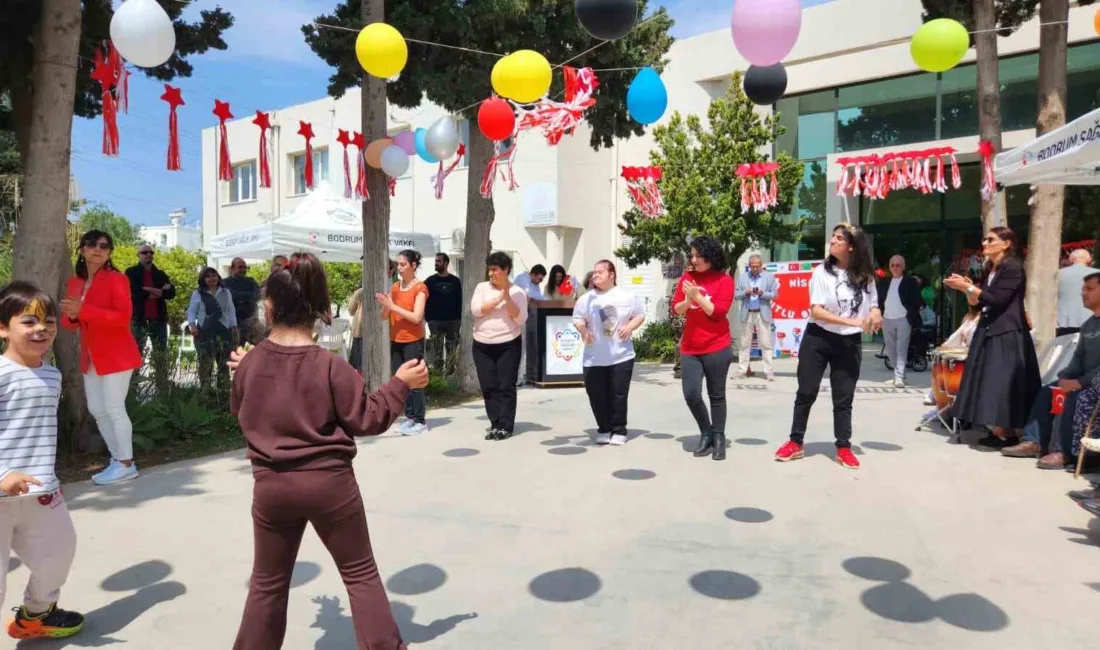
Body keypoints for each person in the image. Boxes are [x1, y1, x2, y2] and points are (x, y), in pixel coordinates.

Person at [229, 252, 427, 650]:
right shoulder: (331, 366)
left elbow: (242, 414)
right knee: (360, 574)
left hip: (271, 487)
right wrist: (400, 385)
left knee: (267, 584)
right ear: (321, 308)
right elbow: (368, 418)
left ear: (269, 306)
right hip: (330, 486)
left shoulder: (249, 364)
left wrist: (252, 369)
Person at [0, 282, 84, 640]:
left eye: (49, 321)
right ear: (2, 328)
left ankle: (36, 615)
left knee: (59, 551)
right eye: (28, 321)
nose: (42, 329)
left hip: (41, 490)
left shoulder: (52, 374)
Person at [775, 224, 883, 469]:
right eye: (832, 237)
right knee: (806, 391)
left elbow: (874, 304)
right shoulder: (821, 272)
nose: (832, 241)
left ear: (851, 246)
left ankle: (843, 447)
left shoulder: (865, 276)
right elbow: (816, 311)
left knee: (843, 396)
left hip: (849, 342)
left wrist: (876, 313)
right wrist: (853, 321)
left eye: (839, 238)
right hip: (818, 338)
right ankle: (795, 442)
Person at [944, 226, 1041, 450]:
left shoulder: (1013, 267)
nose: (985, 243)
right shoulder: (992, 269)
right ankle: (999, 432)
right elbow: (980, 303)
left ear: (1006, 244)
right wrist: (967, 290)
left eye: (991, 240)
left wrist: (970, 287)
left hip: (1007, 333)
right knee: (988, 383)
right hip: (989, 329)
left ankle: (1009, 433)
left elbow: (998, 300)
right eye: (984, 239)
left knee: (1002, 384)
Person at [60, 231, 143, 486]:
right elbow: (68, 323)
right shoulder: (75, 282)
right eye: (92, 244)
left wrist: (83, 310)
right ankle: (118, 460)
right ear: (81, 250)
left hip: (117, 354)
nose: (98, 249)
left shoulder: (117, 279)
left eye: (104, 246)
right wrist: (73, 315)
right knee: (97, 409)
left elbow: (122, 317)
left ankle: (126, 463)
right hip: (91, 356)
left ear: (109, 253)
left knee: (115, 408)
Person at [1004, 271, 1100, 466]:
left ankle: (1062, 451)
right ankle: (1033, 441)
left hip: (1094, 383)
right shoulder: (1088, 325)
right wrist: (1065, 377)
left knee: (1071, 397)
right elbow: (1078, 359)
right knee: (1048, 391)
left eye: (1089, 289)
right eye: (1083, 289)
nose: (1083, 293)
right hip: (1081, 380)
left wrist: (1080, 383)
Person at [672, 236, 735, 461]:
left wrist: (697, 296)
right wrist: (688, 301)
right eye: (692, 255)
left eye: (698, 255)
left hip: (717, 346)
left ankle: (718, 438)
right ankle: (706, 431)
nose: (694, 260)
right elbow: (677, 309)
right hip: (691, 347)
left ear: (710, 256)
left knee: (716, 395)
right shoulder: (687, 278)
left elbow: (717, 313)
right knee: (691, 394)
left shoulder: (724, 280)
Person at [573, 260, 646, 446]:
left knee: (618, 394)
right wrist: (583, 331)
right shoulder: (586, 299)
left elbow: (640, 314)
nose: (595, 275)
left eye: (600, 272)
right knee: (596, 395)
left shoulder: (626, 296)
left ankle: (619, 430)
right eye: (594, 272)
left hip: (621, 355)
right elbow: (578, 318)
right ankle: (604, 428)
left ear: (611, 274)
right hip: (593, 357)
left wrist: (629, 327)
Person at [471, 252, 528, 441]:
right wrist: (497, 300)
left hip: (508, 344)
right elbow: (476, 310)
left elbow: (520, 318)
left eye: (495, 270)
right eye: (489, 269)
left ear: (506, 270)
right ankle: (495, 423)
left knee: (505, 385)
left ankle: (505, 425)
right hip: (482, 344)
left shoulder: (518, 292)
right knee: (488, 386)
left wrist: (508, 298)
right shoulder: (481, 288)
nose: (491, 273)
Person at [376, 249, 429, 435]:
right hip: (396, 339)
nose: (399, 268)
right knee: (401, 380)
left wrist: (393, 306)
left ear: (413, 265)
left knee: (416, 380)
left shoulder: (420, 288)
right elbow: (384, 316)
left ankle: (420, 421)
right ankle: (410, 417)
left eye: (403, 264)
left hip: (413, 340)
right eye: (398, 264)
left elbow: (417, 317)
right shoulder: (395, 287)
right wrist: (386, 306)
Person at [124, 245, 175, 392]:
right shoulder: (131, 272)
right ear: (138, 255)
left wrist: (148, 289)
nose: (148, 254)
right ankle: (132, 389)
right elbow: (134, 292)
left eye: (151, 252)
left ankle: (162, 387)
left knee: (161, 354)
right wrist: (159, 292)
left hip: (158, 319)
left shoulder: (160, 274)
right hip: (138, 319)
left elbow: (171, 293)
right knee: (135, 354)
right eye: (144, 252)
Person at [187, 268, 238, 395]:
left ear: (218, 276)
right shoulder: (198, 293)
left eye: (214, 275)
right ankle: (206, 391)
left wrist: (234, 326)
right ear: (203, 279)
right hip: (204, 330)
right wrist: (192, 325)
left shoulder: (226, 292)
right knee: (205, 362)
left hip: (223, 330)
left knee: (223, 363)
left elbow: (231, 310)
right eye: (208, 276)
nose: (212, 278)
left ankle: (223, 392)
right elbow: (191, 311)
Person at [877, 255, 923, 388]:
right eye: (892, 265)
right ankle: (898, 375)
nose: (895, 268)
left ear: (903, 267)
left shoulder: (910, 282)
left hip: (903, 319)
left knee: (901, 348)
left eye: (898, 265)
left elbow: (917, 301)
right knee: (890, 349)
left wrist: (911, 315)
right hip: (887, 318)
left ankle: (899, 377)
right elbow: (878, 300)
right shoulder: (884, 282)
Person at [735, 254, 779, 381]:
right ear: (749, 266)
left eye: (757, 266)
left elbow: (775, 294)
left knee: (766, 343)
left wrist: (762, 293)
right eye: (752, 266)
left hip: (762, 313)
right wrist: (746, 292)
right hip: (747, 313)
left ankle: (769, 371)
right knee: (744, 343)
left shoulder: (769, 277)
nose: (755, 269)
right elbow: (736, 295)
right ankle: (742, 370)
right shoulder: (743, 278)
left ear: (761, 265)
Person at [425, 253, 463, 370]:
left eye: (439, 261)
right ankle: (438, 375)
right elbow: (423, 299)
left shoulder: (455, 281)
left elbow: (460, 300)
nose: (436, 263)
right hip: (435, 321)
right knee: (437, 351)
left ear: (446, 263)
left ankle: (450, 375)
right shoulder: (429, 281)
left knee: (452, 350)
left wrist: (459, 318)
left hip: (453, 321)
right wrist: (428, 318)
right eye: (435, 261)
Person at [512, 264, 547, 386]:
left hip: (527, 318)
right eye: (539, 278)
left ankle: (521, 375)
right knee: (518, 348)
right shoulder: (523, 279)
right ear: (533, 274)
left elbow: (536, 298)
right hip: (517, 318)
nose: (540, 281)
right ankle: (516, 377)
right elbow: (530, 295)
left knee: (525, 349)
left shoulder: (535, 284)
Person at [1057, 249, 1094, 337]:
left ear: (1070, 259)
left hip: (1064, 320)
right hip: (1092, 319)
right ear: (1089, 260)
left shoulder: (1058, 274)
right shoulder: (1097, 274)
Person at [224, 258, 261, 345]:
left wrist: (239, 296)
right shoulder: (225, 282)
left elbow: (257, 295)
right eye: (240, 267)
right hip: (233, 324)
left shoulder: (251, 281)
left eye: (245, 267)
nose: (243, 270)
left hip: (250, 322)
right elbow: (231, 296)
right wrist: (248, 296)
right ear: (232, 268)